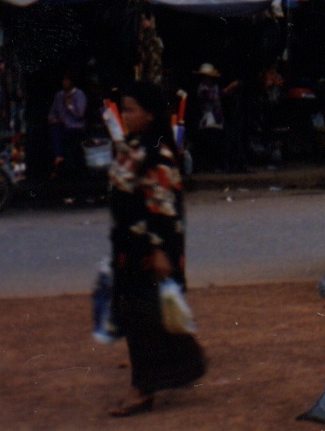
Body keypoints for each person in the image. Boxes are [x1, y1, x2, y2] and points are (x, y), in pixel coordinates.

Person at [105, 81, 206, 417]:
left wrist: (161, 251)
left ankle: (142, 389)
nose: (126, 115)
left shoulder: (157, 154)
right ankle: (182, 365)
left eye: (131, 109)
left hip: (150, 252)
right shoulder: (130, 147)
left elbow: (163, 208)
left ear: (149, 115)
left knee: (144, 319)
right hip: (128, 248)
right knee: (142, 318)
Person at [47, 70, 89, 179]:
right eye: (63, 80)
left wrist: (69, 105)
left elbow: (80, 114)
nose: (64, 82)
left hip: (75, 126)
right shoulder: (59, 95)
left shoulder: (79, 94)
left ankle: (66, 165)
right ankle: (58, 157)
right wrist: (53, 119)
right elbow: (53, 111)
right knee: (54, 130)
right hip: (62, 125)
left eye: (67, 80)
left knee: (69, 136)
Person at [189, 65, 227, 173]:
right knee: (208, 143)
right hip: (207, 119)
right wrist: (228, 89)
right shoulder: (202, 88)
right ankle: (207, 166)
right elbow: (212, 96)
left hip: (217, 119)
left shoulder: (214, 86)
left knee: (217, 143)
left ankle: (216, 166)